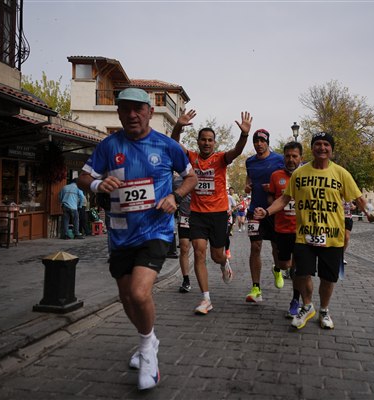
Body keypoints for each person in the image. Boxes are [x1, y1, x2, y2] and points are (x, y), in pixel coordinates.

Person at [77, 88, 197, 391]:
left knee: (139, 292)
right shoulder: (108, 145)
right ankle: (149, 339)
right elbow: (83, 177)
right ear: (118, 113)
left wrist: (175, 196)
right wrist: (98, 184)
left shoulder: (167, 145)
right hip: (120, 234)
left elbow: (192, 177)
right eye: (126, 109)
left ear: (149, 112)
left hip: (155, 230)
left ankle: (147, 353)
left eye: (138, 109)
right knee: (127, 297)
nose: (132, 115)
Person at [255, 132, 374, 330]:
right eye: (318, 144)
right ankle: (307, 305)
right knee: (301, 273)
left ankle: (324, 310)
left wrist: (370, 212)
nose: (322, 148)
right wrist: (267, 211)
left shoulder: (341, 173)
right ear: (312, 148)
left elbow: (359, 198)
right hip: (305, 235)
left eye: (326, 144)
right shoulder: (300, 174)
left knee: (328, 278)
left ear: (331, 149)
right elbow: (284, 199)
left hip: (332, 236)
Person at [171, 109, 252, 315]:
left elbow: (237, 150)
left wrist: (244, 134)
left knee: (216, 256)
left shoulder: (220, 159)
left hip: (218, 214)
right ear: (198, 142)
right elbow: (173, 144)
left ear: (214, 143)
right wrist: (178, 126)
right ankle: (206, 299)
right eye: (203, 140)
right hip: (197, 213)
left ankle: (224, 262)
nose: (206, 143)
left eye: (210, 140)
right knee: (199, 251)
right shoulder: (191, 157)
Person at [244, 129, 284, 303]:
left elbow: (287, 180)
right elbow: (249, 179)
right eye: (256, 141)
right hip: (255, 210)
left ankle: (277, 269)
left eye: (262, 141)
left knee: (276, 248)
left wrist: (274, 188)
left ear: (267, 142)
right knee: (255, 247)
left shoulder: (279, 160)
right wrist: (247, 186)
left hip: (274, 211)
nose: (259, 144)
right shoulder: (249, 161)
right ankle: (256, 288)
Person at [268, 141, 304, 318]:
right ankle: (277, 268)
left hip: (301, 230)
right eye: (288, 156)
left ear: (301, 158)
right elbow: (271, 197)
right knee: (285, 265)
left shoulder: (307, 175)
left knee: (298, 268)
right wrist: (271, 208)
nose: (291, 159)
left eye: (294, 156)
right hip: (282, 228)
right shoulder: (276, 176)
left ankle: (295, 301)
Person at [174, 173, 192, 293]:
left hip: (200, 217)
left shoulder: (199, 177)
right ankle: (186, 280)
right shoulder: (176, 181)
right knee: (184, 248)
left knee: (200, 250)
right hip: (184, 217)